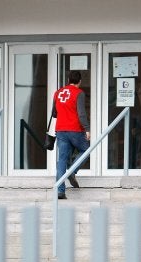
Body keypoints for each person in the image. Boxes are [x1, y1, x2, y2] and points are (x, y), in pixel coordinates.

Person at [52, 70, 90, 200]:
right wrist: (87, 129)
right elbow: (81, 113)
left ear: (68, 80)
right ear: (79, 81)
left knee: (62, 159)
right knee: (86, 149)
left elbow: (54, 113)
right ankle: (72, 171)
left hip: (61, 130)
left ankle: (60, 191)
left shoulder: (58, 93)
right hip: (75, 129)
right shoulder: (79, 93)